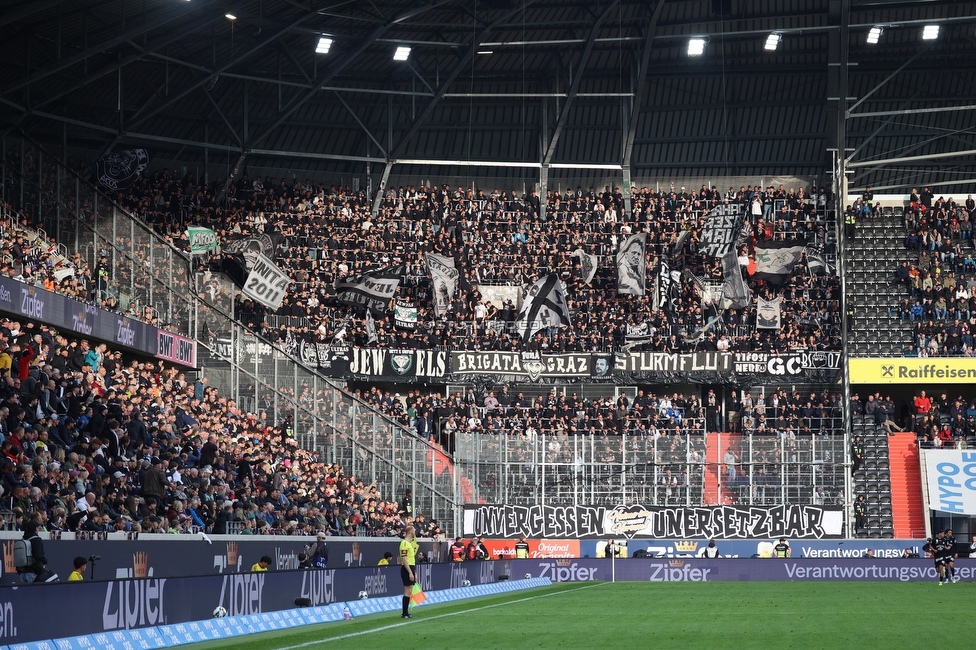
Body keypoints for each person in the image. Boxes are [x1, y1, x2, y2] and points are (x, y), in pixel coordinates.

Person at [399, 525, 419, 619]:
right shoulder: (404, 543)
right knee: (407, 590)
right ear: (410, 531)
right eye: (414, 529)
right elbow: (404, 558)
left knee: (410, 589)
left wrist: (414, 571)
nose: (415, 531)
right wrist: (410, 572)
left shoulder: (409, 543)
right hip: (407, 568)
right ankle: (404, 613)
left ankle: (406, 612)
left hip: (411, 567)